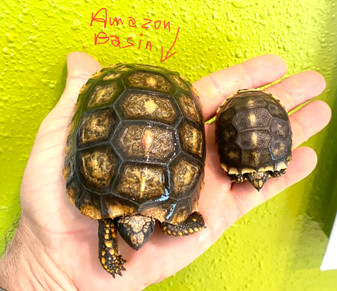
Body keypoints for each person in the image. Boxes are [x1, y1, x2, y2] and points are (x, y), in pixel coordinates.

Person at [0, 52, 331, 291]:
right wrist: (44, 268)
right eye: (140, 235)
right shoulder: (123, 218)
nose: (139, 241)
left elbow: (110, 226)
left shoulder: (106, 216)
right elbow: (130, 226)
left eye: (137, 234)